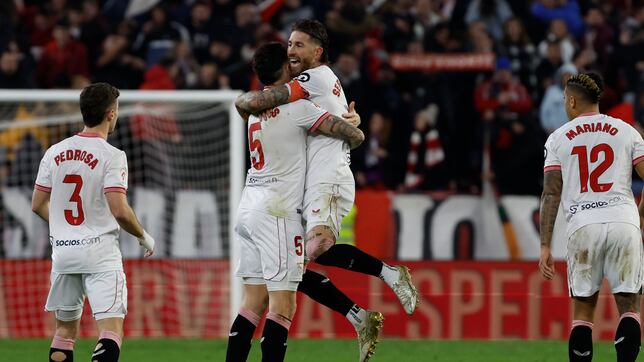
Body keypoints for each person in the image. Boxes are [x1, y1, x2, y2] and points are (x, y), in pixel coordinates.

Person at [235, 19, 419, 359]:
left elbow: (265, 100)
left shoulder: (310, 80)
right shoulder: (316, 87)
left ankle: (389, 274)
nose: (292, 50)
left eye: (299, 45)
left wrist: (245, 101)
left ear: (317, 51)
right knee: (294, 266)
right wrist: (350, 121)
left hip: (328, 175)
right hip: (309, 182)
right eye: (289, 44)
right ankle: (359, 317)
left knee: (313, 249)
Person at [226, 42, 365, 362]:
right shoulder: (300, 109)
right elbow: (353, 137)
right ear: (287, 69)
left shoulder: (254, 112)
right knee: (283, 307)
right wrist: (352, 123)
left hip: (249, 208)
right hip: (277, 211)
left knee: (253, 303)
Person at [31, 83, 155, 362]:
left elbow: (37, 204)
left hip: (64, 252)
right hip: (100, 254)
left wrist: (65, 227)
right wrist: (143, 236)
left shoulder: (54, 152)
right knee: (110, 331)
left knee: (64, 332)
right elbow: (120, 210)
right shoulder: (112, 156)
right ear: (111, 114)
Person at [539, 73, 643, 362]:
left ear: (572, 100)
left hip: (583, 226)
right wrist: (640, 215)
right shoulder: (626, 131)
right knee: (630, 308)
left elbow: (551, 194)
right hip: (624, 221)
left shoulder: (558, 138)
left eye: (563, 100)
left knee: (583, 313)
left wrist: (545, 245)